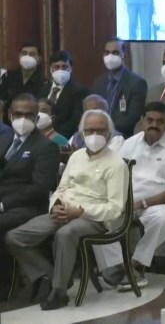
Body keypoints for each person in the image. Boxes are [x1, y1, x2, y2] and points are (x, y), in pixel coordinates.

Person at [6, 109, 127, 311]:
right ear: (81, 133)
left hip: (93, 219)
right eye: (89, 130)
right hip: (63, 212)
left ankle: (58, 292)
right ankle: (55, 277)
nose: (94, 135)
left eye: (99, 130)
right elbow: (61, 188)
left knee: (65, 233)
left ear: (108, 133)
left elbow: (115, 208)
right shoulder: (77, 156)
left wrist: (80, 212)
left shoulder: (116, 164)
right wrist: (57, 205)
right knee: (14, 237)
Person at [95, 102, 165, 291]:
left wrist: (141, 203)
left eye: (160, 121)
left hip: (160, 204)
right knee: (98, 215)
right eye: (150, 120)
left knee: (161, 219)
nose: (154, 124)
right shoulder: (130, 143)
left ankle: (136, 265)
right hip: (127, 201)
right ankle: (117, 269)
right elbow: (114, 173)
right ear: (142, 121)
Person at [0, 94, 60, 300]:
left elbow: (40, 188)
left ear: (36, 118)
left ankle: (6, 285)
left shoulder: (46, 147)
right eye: (17, 114)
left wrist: (3, 204)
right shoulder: (5, 138)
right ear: (9, 115)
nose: (22, 119)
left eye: (28, 115)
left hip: (28, 206)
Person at [90, 38, 148, 138]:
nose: (110, 56)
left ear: (123, 54)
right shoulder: (99, 82)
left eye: (115, 52)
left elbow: (133, 119)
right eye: (107, 53)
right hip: (98, 135)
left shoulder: (137, 83)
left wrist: (105, 129)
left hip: (123, 138)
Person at [39, 50, 87, 138]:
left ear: (70, 68)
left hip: (64, 138)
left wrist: (51, 134)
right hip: (40, 136)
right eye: (56, 67)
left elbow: (75, 121)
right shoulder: (43, 90)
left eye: (64, 67)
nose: (60, 70)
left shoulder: (79, 91)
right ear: (51, 69)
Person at [0, 42, 47, 124]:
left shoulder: (44, 82)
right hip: (8, 125)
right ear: (19, 56)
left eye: (32, 54)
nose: (27, 57)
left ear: (39, 59)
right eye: (24, 53)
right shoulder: (8, 77)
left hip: (31, 124)